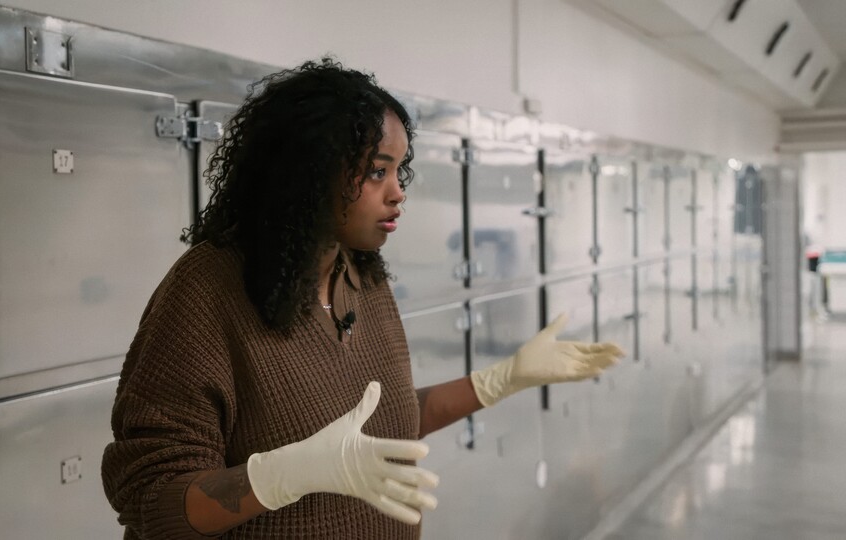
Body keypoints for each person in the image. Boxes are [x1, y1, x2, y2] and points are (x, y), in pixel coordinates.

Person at [100, 58, 623, 540]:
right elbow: (151, 497)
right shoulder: (206, 291)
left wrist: (501, 379)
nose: (398, 191)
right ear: (308, 171)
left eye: (399, 169)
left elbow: (381, 425)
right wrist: (279, 476)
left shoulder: (360, 277)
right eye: (376, 171)